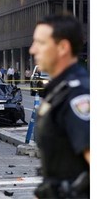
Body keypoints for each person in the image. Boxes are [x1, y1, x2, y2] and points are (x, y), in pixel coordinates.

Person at [29, 14, 89, 198]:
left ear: (63, 47)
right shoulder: (59, 90)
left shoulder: (78, 95)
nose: (33, 50)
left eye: (41, 43)